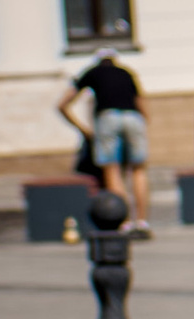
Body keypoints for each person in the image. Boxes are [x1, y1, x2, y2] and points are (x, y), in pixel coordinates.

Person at [57, 48, 150, 232]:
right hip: (133, 117)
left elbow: (63, 104)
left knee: (111, 168)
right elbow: (141, 103)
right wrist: (144, 124)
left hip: (107, 118)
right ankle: (141, 221)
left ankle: (121, 220)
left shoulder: (92, 72)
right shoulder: (126, 72)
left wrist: (83, 129)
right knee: (138, 169)